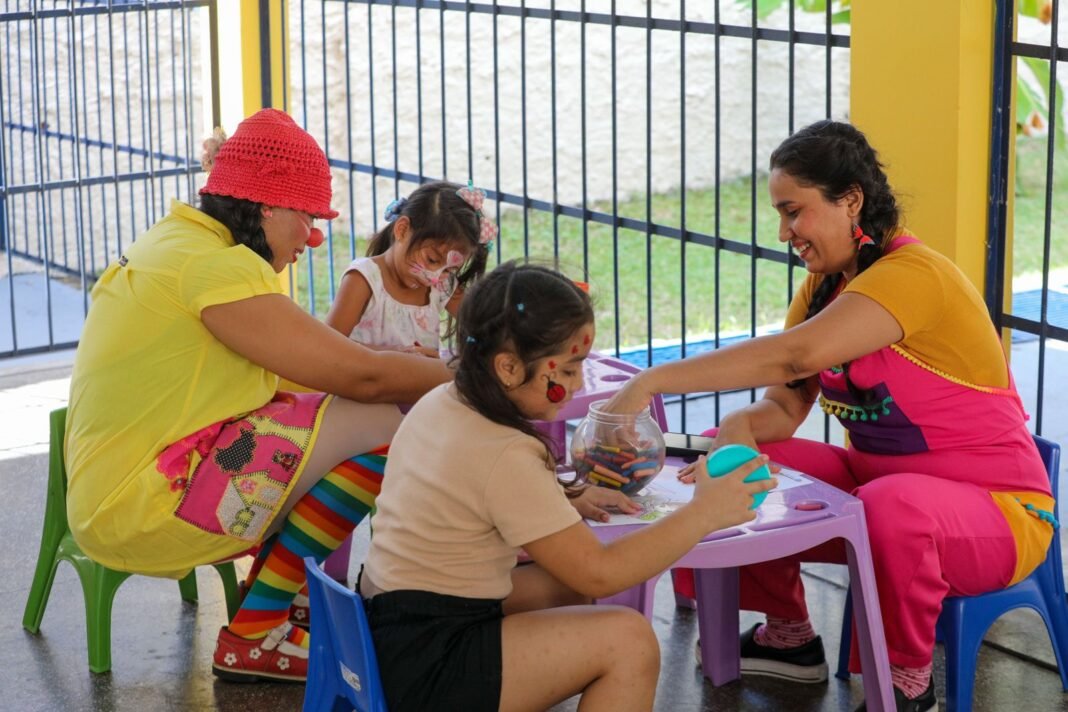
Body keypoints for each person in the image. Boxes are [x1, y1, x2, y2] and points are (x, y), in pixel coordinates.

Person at [603, 120, 1055, 712]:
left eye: (795, 212)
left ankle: (908, 684)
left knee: (894, 504)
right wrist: (739, 429)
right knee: (742, 456)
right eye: (780, 215)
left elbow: (797, 354)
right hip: (879, 492)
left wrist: (652, 380)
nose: (786, 231)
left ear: (850, 201)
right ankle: (789, 637)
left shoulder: (914, 276)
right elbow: (787, 405)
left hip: (996, 512)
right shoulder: (825, 286)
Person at [64, 108, 453, 683]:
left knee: (345, 422)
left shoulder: (180, 240)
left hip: (120, 487)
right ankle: (257, 628)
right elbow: (360, 378)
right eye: (308, 218)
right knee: (385, 428)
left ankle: (275, 598)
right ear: (269, 206)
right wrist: (466, 376)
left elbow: (305, 371)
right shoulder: (218, 268)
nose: (312, 239)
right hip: (143, 507)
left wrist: (408, 366)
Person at [359, 261, 776, 712]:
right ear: (508, 367)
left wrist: (562, 494)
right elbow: (599, 570)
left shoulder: (443, 402)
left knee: (571, 593)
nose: (579, 383)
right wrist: (704, 513)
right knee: (629, 642)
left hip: (389, 618)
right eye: (571, 368)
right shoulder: (506, 452)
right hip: (431, 662)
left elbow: (468, 489)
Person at [324, 180, 492, 357]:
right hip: (366, 383)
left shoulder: (443, 286)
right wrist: (397, 355)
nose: (435, 277)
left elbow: (486, 327)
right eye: (432, 259)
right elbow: (329, 346)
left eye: (449, 270)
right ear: (402, 230)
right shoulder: (364, 280)